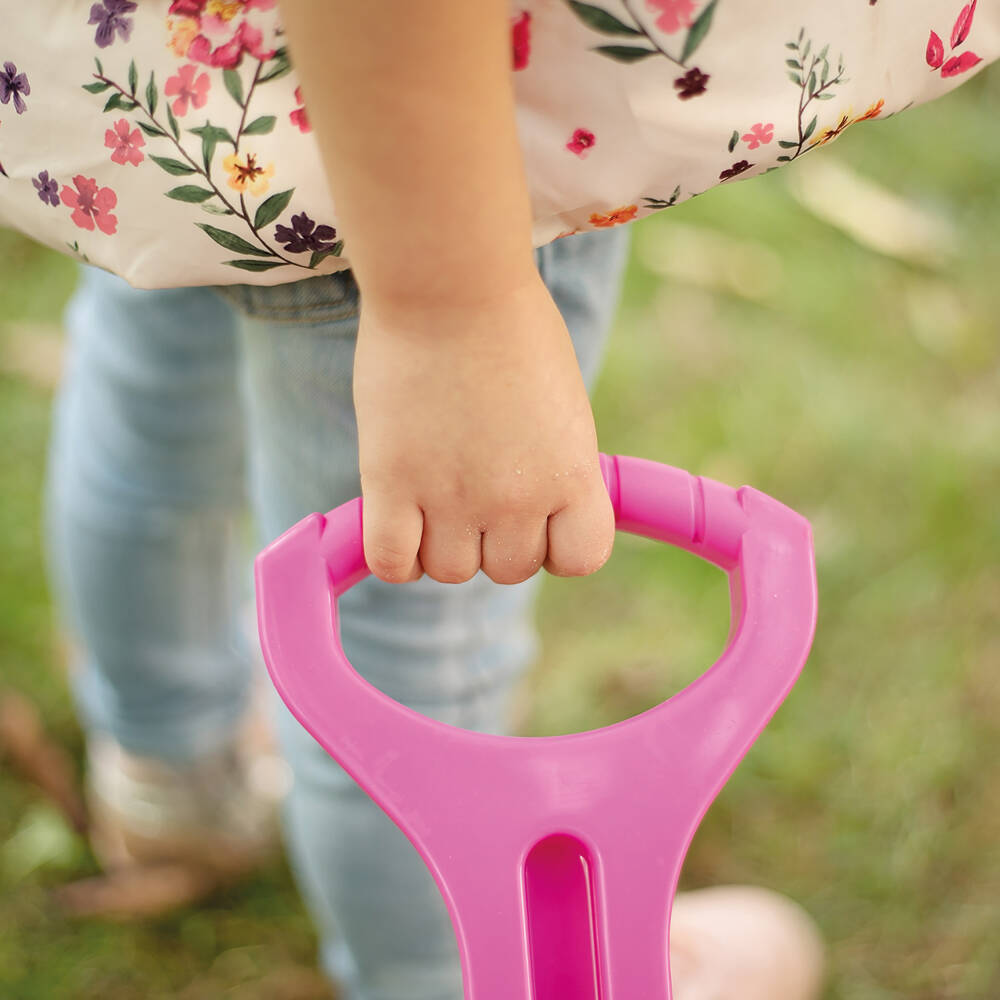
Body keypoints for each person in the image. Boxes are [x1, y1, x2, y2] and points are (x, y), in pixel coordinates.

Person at [30, 1, 996, 997]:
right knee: (404, 627)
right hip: (441, 160)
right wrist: (455, 312)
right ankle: (446, 972)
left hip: (178, 105)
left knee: (154, 382)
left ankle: (171, 771)